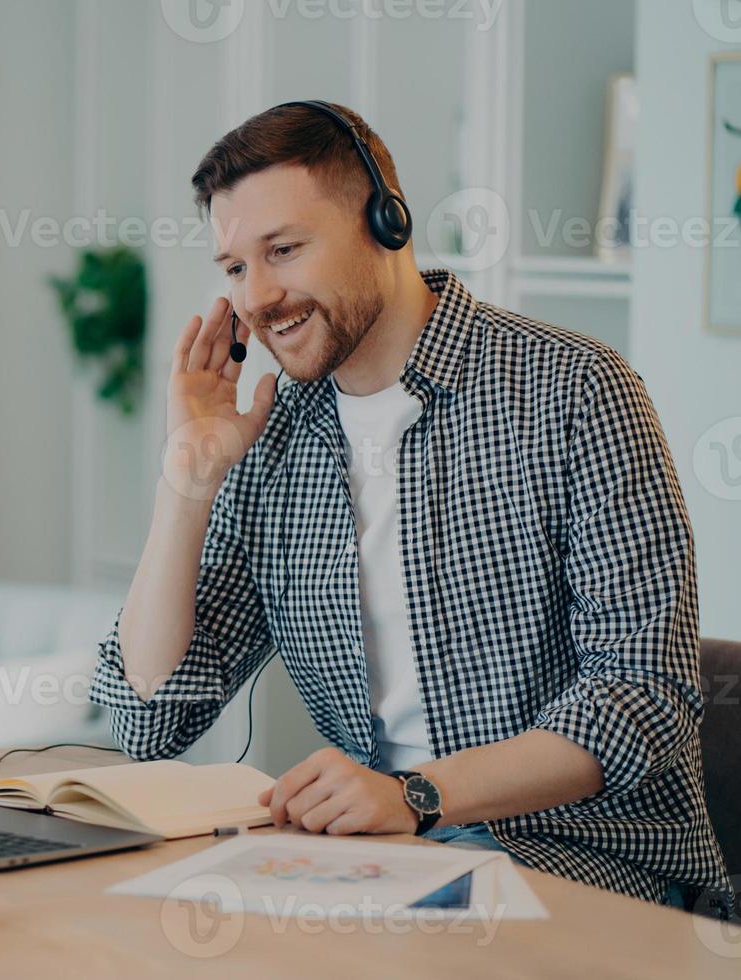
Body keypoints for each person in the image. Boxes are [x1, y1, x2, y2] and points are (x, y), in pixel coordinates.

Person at [88, 101, 734, 917]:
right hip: (379, 870)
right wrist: (185, 484)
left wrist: (416, 794)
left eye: (283, 250)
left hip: (585, 868)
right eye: (234, 267)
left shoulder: (574, 391)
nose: (258, 296)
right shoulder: (272, 438)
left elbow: (644, 691)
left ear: (386, 222)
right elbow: (149, 718)